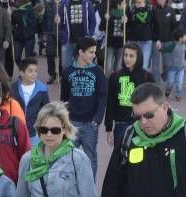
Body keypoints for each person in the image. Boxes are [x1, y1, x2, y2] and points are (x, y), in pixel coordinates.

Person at [60, 36, 108, 179]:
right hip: (72, 123)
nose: (94, 55)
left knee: (90, 158)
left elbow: (103, 96)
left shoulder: (98, 71)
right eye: (91, 52)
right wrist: (64, 119)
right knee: (69, 157)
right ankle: (71, 188)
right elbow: (64, 98)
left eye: (94, 52)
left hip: (90, 123)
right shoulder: (68, 71)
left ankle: (90, 189)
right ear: (81, 52)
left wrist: (97, 119)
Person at [105, 42, 154, 148]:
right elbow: (110, 103)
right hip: (121, 124)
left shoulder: (147, 77)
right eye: (125, 55)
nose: (127, 58)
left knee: (141, 158)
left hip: (141, 124)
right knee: (121, 156)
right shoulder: (114, 76)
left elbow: (154, 103)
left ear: (138, 57)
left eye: (131, 56)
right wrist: (108, 127)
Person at [11, 57, 51, 145]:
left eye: (35, 71)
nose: (34, 74)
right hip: (14, 133)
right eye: (30, 71)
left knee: (34, 157)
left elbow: (46, 111)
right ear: (21, 73)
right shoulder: (12, 88)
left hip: (34, 134)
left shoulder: (42, 89)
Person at [55, 0, 98, 72]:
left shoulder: (87, 3)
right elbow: (60, 22)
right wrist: (58, 22)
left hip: (83, 42)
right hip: (68, 40)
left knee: (83, 64)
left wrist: (89, 35)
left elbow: (93, 21)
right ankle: (68, 82)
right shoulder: (64, 3)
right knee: (65, 65)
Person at [125, 0, 156, 71]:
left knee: (143, 66)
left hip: (146, 41)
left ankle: (142, 81)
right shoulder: (130, 8)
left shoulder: (150, 8)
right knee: (132, 66)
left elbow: (155, 23)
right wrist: (125, 22)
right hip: (133, 41)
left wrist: (155, 37)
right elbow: (126, 27)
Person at [152, 0, 177, 80]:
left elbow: (174, 27)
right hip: (156, 41)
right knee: (155, 64)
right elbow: (151, 27)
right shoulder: (153, 10)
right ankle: (157, 84)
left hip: (168, 41)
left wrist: (174, 40)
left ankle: (165, 78)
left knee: (166, 63)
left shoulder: (171, 10)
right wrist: (156, 39)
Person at [162, 28, 186, 100]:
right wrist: (160, 49)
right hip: (172, 68)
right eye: (185, 36)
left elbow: (185, 55)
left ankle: (178, 94)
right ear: (180, 38)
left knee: (179, 83)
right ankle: (168, 91)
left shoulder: (184, 45)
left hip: (181, 68)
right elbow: (165, 50)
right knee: (170, 82)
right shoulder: (172, 45)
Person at [105, 1, 129, 74]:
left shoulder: (126, 14)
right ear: (118, 5)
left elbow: (128, 30)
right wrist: (105, 20)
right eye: (124, 4)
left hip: (121, 44)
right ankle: (107, 82)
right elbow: (102, 27)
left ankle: (115, 83)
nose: (125, 5)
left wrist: (126, 22)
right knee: (108, 66)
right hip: (111, 43)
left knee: (118, 67)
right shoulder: (111, 13)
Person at [12, 0, 38, 64]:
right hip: (17, 37)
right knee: (17, 57)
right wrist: (15, 31)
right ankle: (22, 69)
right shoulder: (15, 9)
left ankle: (26, 71)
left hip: (29, 37)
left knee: (28, 58)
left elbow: (34, 23)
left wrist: (30, 33)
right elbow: (12, 23)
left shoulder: (30, 8)